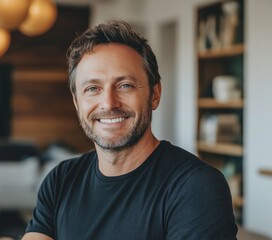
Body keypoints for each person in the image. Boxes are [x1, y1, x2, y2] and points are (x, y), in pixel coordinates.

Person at [22, 20, 237, 240]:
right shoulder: (60, 181)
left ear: (154, 95)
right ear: (77, 103)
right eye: (92, 88)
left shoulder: (195, 187)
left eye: (125, 85)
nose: (108, 103)